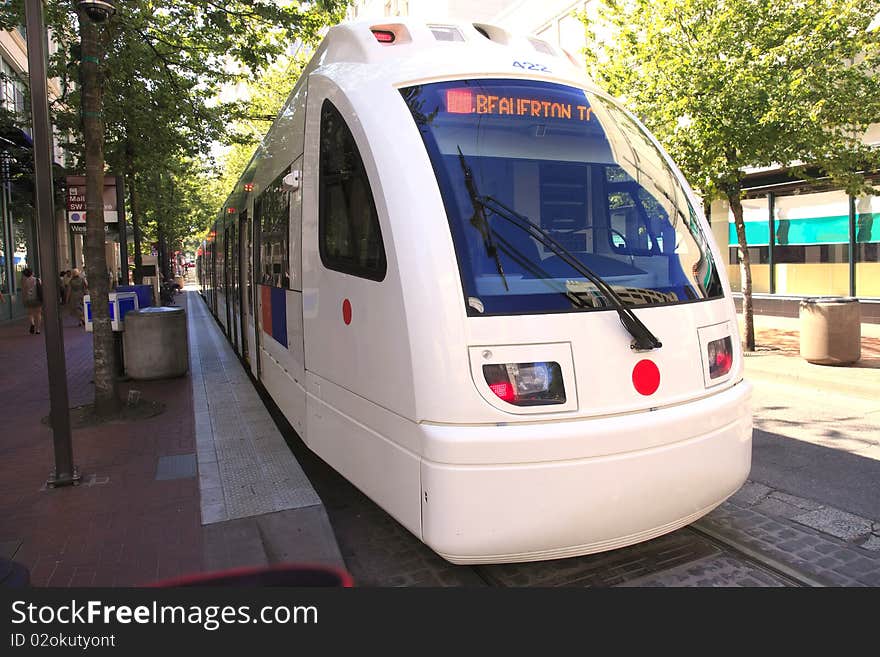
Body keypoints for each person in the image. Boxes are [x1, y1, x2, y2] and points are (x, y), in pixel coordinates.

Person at [21, 267, 43, 335]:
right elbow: (41, 288)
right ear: (32, 273)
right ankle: (38, 330)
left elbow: (24, 291)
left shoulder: (24, 281)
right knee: (38, 314)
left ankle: (32, 323)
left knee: (30, 313)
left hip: (29, 299)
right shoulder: (37, 280)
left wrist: (24, 299)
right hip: (37, 299)